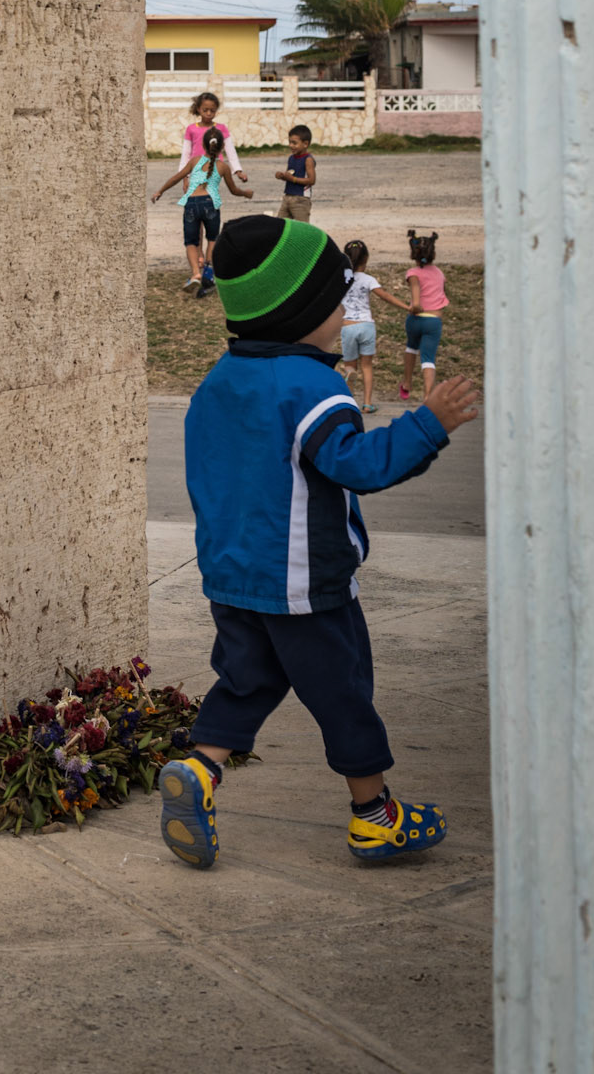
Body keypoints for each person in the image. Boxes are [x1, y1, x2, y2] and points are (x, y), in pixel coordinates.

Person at [155, 213, 479, 871]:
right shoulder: (310, 388)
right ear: (296, 311)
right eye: (332, 301)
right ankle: (373, 819)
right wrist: (425, 426)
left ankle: (199, 767)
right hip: (304, 583)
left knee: (247, 681)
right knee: (343, 694)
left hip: (231, 576)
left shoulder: (217, 383)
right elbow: (355, 464)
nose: (340, 314)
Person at [152, 126, 254, 296]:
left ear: (204, 146)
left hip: (191, 203)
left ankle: (195, 274)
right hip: (210, 204)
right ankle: (208, 272)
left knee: (191, 242)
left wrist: (160, 191)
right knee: (213, 239)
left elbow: (177, 178)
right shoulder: (223, 166)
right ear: (221, 148)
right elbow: (234, 190)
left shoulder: (194, 161)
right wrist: (246, 194)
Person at [338, 240, 413, 415]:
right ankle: (367, 404)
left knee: (350, 366)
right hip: (366, 326)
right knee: (367, 366)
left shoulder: (341, 278)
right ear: (366, 259)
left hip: (347, 326)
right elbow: (385, 296)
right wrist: (407, 307)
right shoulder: (368, 279)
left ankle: (348, 399)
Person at [398, 230, 448, 403]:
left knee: (411, 347)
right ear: (433, 253)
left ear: (413, 253)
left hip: (416, 319)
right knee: (428, 359)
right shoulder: (440, 273)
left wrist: (415, 306)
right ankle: (428, 395)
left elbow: (416, 300)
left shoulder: (413, 273)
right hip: (433, 321)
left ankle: (407, 383)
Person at [180, 91, 248, 183]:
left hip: (215, 168)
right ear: (199, 109)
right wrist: (185, 177)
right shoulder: (191, 129)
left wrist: (238, 171)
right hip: (196, 169)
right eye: (205, 110)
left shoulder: (221, 128)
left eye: (212, 110)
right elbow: (186, 154)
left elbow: (230, 151)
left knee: (210, 193)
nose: (208, 113)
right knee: (197, 194)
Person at [275, 124, 316, 219]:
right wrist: (282, 176)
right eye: (289, 142)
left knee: (302, 228)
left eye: (294, 143)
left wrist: (293, 179)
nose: (291, 145)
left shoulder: (308, 159)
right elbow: (290, 175)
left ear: (305, 144)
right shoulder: (291, 158)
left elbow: (311, 180)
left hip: (301, 199)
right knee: (281, 225)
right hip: (287, 197)